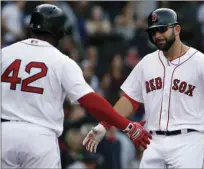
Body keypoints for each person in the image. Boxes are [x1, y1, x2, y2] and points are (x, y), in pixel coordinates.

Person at [1, 4, 152, 169]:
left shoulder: (5, 54)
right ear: (60, 32)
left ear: (30, 27)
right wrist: (127, 125)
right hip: (40, 138)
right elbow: (91, 101)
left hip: (5, 133)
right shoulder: (61, 61)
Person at [83, 8, 204, 168]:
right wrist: (104, 125)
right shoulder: (147, 62)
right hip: (153, 141)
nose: (157, 36)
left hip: (189, 141)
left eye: (162, 29)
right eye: (153, 32)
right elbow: (130, 100)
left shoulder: (201, 63)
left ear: (177, 29)